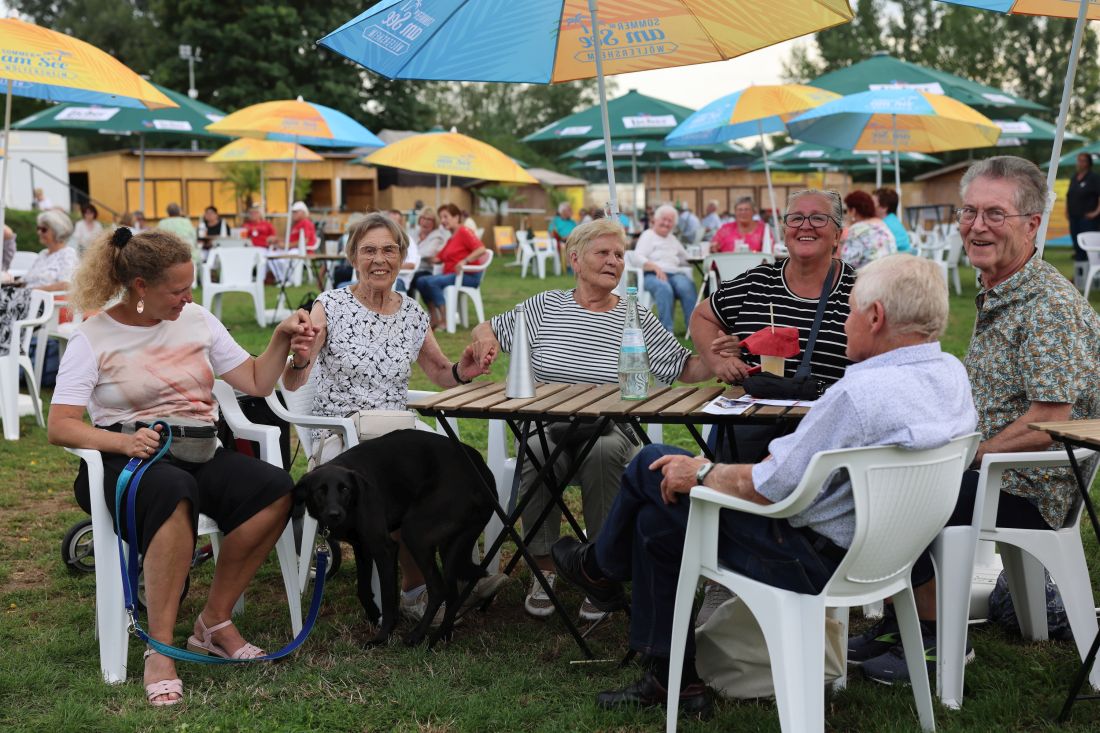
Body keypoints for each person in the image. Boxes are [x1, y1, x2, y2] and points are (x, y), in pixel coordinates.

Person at [550, 254, 977, 716]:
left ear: (875, 318)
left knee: (653, 466)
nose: (845, 323)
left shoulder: (858, 395)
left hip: (809, 556)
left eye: (851, 309)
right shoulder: (951, 375)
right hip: (895, 553)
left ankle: (602, 569)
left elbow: (770, 487)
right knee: (661, 516)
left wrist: (701, 472)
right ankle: (670, 674)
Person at [852, 156, 1100, 684]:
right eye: (969, 211)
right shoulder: (1003, 291)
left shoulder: (1046, 306)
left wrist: (963, 456)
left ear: (1033, 224)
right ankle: (908, 620)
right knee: (882, 468)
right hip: (991, 473)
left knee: (899, 487)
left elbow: (1047, 421)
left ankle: (939, 638)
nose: (977, 226)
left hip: (1027, 488)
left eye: (995, 214)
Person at [47, 227, 317, 707]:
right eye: (177, 290)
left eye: (190, 287)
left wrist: (280, 338)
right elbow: (61, 425)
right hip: (125, 464)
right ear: (140, 286)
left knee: (275, 488)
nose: (187, 298)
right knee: (173, 491)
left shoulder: (197, 319)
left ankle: (214, 622)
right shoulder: (92, 337)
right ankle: (160, 648)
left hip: (198, 451)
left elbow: (255, 380)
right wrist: (123, 441)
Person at [470, 218, 712, 622]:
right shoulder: (544, 306)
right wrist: (483, 338)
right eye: (604, 253)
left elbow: (682, 367)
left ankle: (600, 570)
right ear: (575, 260)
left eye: (619, 255)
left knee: (604, 451)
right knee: (533, 448)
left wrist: (716, 358)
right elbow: (489, 327)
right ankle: (544, 569)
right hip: (549, 426)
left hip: (610, 427)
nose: (613, 261)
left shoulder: (635, 315)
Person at [280, 212, 502, 622]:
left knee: (463, 466)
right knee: (405, 481)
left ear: (402, 256)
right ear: (352, 257)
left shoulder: (413, 313)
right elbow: (295, 382)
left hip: (399, 430)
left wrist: (464, 371)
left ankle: (458, 571)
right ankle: (417, 592)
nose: (379, 259)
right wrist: (299, 357)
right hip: (344, 434)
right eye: (369, 250)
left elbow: (439, 372)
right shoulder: (330, 306)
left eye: (388, 249)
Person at [689, 188, 856, 622]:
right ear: (782, 229)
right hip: (754, 416)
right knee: (730, 441)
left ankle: (792, 568)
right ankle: (723, 577)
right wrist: (718, 359)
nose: (805, 226)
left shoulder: (858, 288)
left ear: (838, 233)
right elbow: (703, 316)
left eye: (818, 219)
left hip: (827, 422)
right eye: (795, 218)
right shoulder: (757, 282)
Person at [0, 210, 77, 352]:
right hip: (27, 301)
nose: (39, 232)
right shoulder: (43, 254)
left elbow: (66, 284)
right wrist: (14, 282)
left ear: (57, 231)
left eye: (44, 229)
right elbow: (27, 280)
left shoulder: (67, 254)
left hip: (47, 307)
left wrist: (34, 291)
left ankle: (9, 353)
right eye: (38, 228)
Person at [416, 203, 487, 330]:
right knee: (421, 281)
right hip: (451, 275)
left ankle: (446, 320)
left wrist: (464, 261)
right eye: (441, 217)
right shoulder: (451, 238)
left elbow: (481, 249)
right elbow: (438, 259)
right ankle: (435, 317)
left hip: (467, 276)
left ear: (456, 217)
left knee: (432, 282)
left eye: (446, 217)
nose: (442, 221)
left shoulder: (464, 231)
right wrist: (420, 251)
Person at [634, 204, 697, 333]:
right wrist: (654, 267)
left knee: (687, 286)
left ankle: (694, 329)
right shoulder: (648, 235)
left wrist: (698, 255)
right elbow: (637, 257)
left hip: (674, 274)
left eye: (670, 221)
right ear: (655, 220)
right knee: (664, 288)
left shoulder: (672, 239)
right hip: (651, 274)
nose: (666, 223)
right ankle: (666, 331)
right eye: (664, 219)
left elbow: (686, 258)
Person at [1066, 152, 1100, 287]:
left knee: (1088, 248)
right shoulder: (1074, 177)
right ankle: (1080, 278)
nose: (1079, 163)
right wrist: (1067, 211)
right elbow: (1069, 196)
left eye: (1082, 161)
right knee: (1077, 247)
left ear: (1088, 163)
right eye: (1078, 160)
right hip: (1074, 218)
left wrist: (1096, 212)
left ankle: (1092, 280)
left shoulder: (1094, 178)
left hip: (1088, 220)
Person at [840, 190, 896, 269]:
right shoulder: (882, 224)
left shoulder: (856, 230)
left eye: (846, 211)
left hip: (869, 277)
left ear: (853, 211)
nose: (846, 215)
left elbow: (847, 263)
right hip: (889, 273)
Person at [407, 206, 445, 299]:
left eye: (429, 219)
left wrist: (411, 255)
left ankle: (409, 308)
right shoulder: (414, 233)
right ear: (419, 220)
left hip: (427, 271)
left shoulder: (437, 236)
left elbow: (427, 253)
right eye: (423, 218)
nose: (425, 222)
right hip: (411, 269)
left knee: (410, 279)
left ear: (434, 223)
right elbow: (405, 249)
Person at [157, 203, 200, 270]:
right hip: (188, 254)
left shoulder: (162, 223)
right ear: (179, 211)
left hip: (168, 256)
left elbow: (157, 239)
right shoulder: (186, 222)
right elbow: (194, 238)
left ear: (168, 212)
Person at [873, 187, 911, 252]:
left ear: (884, 207)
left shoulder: (886, 225)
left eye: (873, 203)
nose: (869, 206)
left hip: (897, 260)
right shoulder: (891, 220)